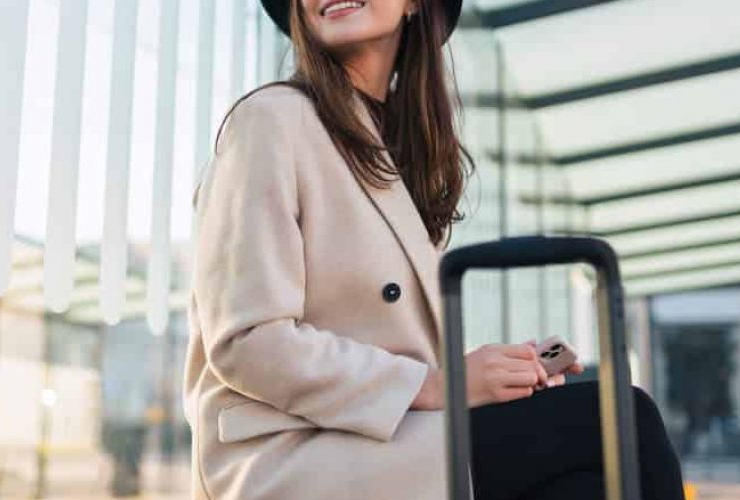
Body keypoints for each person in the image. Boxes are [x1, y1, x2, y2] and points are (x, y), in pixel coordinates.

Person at [183, 1, 686, 498]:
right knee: (621, 422)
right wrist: (441, 386)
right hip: (289, 455)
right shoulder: (270, 119)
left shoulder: (393, 145)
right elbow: (248, 341)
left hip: (383, 438)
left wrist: (494, 376)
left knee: (592, 483)